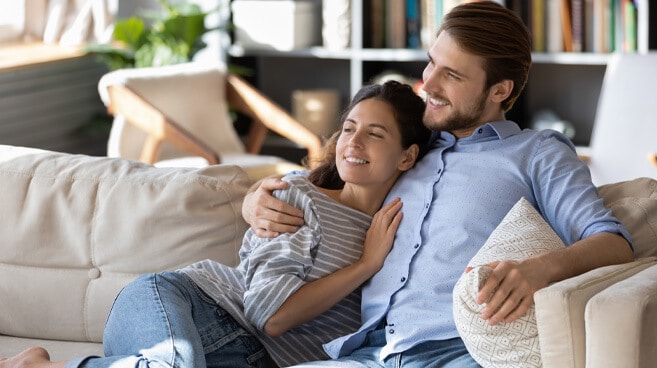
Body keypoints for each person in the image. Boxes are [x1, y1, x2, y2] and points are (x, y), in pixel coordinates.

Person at [243, 2, 635, 367]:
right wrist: (255, 200)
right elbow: (337, 177)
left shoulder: (536, 153)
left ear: (500, 91)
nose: (427, 84)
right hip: (369, 351)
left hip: (456, 352)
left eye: (452, 75)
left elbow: (613, 243)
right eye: (432, 64)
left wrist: (540, 269)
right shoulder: (412, 147)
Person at [0, 80, 432, 368]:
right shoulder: (298, 198)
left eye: (375, 134)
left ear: (408, 156)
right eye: (350, 128)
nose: (353, 143)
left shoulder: (400, 229)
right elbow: (271, 315)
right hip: (181, 303)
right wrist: (362, 267)